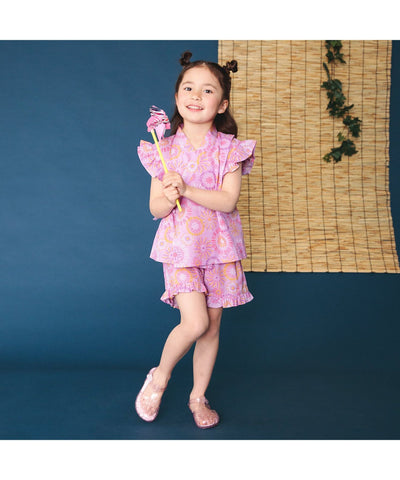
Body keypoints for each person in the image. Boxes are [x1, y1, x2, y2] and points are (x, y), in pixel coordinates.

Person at [135, 50, 256, 429]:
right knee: (195, 322)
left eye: (208, 90)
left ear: (222, 104)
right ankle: (160, 377)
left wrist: (187, 189)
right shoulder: (163, 150)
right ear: (176, 97)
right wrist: (170, 194)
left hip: (220, 249)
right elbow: (156, 208)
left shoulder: (230, 149)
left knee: (212, 328)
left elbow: (228, 201)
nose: (196, 96)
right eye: (188, 88)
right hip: (181, 250)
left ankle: (197, 397)